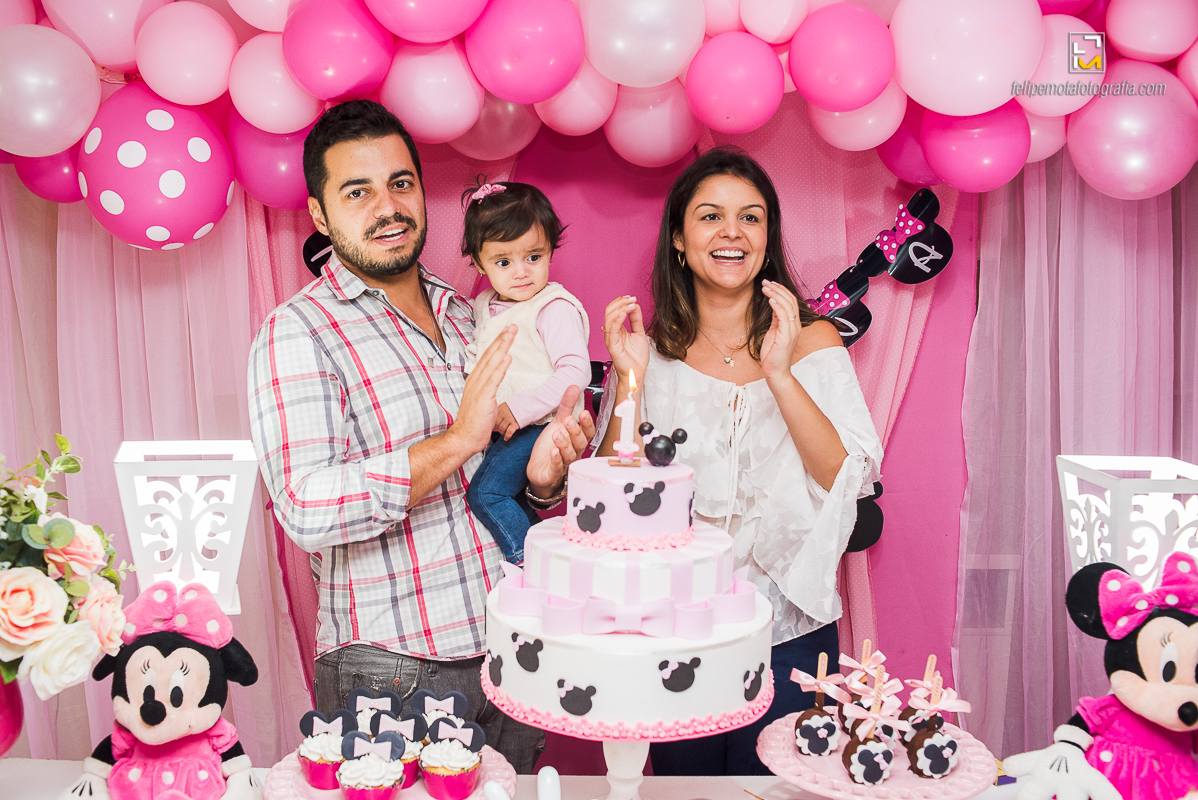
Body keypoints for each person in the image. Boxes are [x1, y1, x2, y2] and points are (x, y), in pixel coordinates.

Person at [247, 100, 593, 774]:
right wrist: (457, 440)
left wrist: (542, 486)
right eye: (358, 192)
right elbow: (305, 506)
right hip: (393, 670)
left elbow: (493, 478)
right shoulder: (299, 331)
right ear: (320, 214)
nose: (388, 207)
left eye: (400, 183)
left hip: (510, 650)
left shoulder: (469, 313)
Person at [597, 147, 884, 775]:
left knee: (782, 788)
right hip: (674, 628)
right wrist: (633, 380)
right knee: (684, 791)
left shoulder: (812, 339)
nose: (732, 233)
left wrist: (780, 373)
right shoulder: (647, 353)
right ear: (678, 239)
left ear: (767, 238)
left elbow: (847, 479)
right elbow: (614, 503)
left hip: (791, 632)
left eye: (750, 218)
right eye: (710, 216)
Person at [462, 179, 590, 564]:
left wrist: (520, 409)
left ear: (550, 250)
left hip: (539, 424)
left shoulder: (553, 307)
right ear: (479, 263)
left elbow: (575, 371)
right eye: (503, 262)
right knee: (512, 497)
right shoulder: (483, 305)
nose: (521, 272)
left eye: (533, 257)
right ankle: (556, 556)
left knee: (486, 494)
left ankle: (529, 563)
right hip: (504, 429)